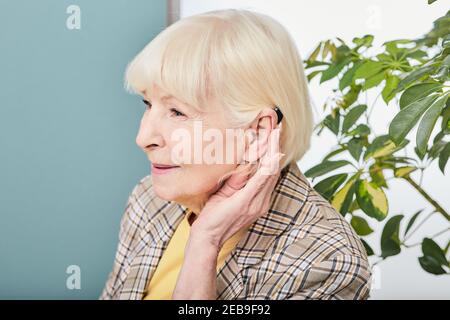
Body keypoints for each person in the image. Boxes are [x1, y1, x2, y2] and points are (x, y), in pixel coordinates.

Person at [99, 9, 372, 300]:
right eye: (148, 104)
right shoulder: (149, 201)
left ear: (258, 130)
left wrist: (204, 242)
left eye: (177, 111)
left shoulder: (327, 262)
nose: (143, 139)